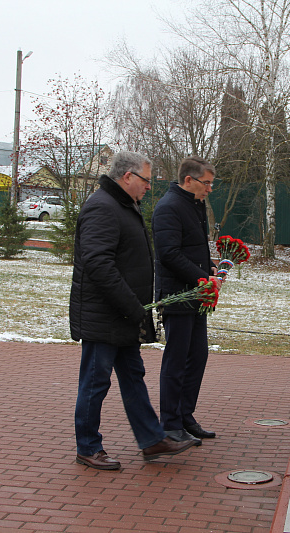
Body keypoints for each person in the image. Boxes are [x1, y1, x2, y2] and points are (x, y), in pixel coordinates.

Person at [69, 151, 196, 470]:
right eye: (146, 180)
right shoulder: (102, 206)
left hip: (123, 316)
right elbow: (98, 263)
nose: (149, 187)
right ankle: (87, 447)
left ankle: (152, 440)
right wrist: (131, 304)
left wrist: (133, 308)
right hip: (104, 316)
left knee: (133, 376)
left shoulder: (123, 205)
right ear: (127, 176)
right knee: (96, 381)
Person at [152, 156, 222, 445]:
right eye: (206, 183)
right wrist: (201, 278)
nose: (209, 189)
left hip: (195, 295)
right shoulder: (169, 207)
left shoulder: (193, 205)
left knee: (198, 356)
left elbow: (191, 248)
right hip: (177, 295)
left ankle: (185, 416)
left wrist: (209, 269)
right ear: (188, 180)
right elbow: (169, 253)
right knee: (177, 360)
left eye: (211, 185)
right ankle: (169, 424)